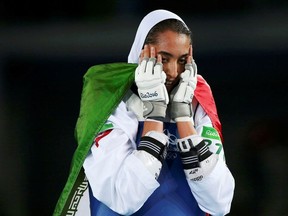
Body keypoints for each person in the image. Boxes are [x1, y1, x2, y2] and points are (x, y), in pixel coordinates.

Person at [53, 9, 235, 216]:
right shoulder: (112, 101)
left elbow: (219, 203)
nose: (174, 72)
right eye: (164, 59)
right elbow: (124, 198)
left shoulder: (196, 102)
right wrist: (155, 112)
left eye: (182, 60)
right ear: (142, 54)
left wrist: (183, 117)